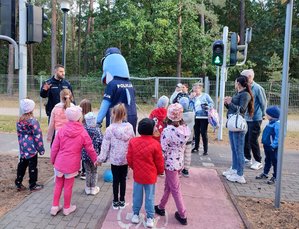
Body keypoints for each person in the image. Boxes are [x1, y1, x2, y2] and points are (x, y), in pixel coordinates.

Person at [50, 106, 99, 216]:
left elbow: (54, 147)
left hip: (59, 161)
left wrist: (53, 159)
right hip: (71, 164)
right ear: (79, 117)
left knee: (58, 184)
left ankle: (54, 206)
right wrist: (95, 159)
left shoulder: (62, 130)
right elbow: (89, 147)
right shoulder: (82, 132)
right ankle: (67, 207)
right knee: (68, 186)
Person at [155, 103, 191, 226]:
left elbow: (163, 150)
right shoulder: (185, 129)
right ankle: (161, 206)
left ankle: (183, 214)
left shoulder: (167, 131)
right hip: (179, 162)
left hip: (170, 164)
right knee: (169, 186)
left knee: (175, 189)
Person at [127, 118, 164, 228]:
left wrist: (134, 168)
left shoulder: (133, 142)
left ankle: (135, 214)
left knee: (137, 195)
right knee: (150, 197)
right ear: (152, 130)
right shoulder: (155, 144)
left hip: (138, 175)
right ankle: (150, 217)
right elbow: (159, 161)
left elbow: (129, 158)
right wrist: (160, 171)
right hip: (151, 176)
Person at [98, 103, 135, 210]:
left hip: (114, 160)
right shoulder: (129, 127)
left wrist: (100, 159)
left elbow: (105, 147)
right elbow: (133, 142)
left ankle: (115, 201)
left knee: (115, 180)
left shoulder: (110, 129)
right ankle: (122, 200)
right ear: (124, 114)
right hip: (125, 159)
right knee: (123, 179)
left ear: (113, 114)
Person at [96, 47, 137, 132]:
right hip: (131, 118)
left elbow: (105, 105)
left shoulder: (112, 84)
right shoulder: (130, 83)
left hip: (115, 120)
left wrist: (98, 122)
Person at [222, 75, 254, 184]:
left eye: (235, 82)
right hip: (232, 124)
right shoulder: (238, 93)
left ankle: (240, 175)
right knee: (234, 149)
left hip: (238, 126)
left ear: (239, 83)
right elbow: (233, 108)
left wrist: (230, 102)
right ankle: (234, 169)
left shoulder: (245, 95)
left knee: (239, 151)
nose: (234, 84)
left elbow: (241, 110)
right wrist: (227, 103)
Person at [15, 99, 45, 191]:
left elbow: (19, 134)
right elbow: (37, 135)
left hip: (23, 146)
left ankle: (18, 182)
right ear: (31, 109)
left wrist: (21, 145)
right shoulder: (33, 121)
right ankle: (33, 184)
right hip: (31, 146)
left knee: (22, 163)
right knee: (33, 165)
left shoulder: (19, 121)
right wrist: (41, 149)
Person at [241, 69, 267, 170]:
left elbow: (263, 102)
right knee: (245, 139)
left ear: (249, 77)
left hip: (255, 118)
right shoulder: (245, 87)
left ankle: (258, 161)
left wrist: (264, 115)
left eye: (243, 77)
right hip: (246, 118)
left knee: (253, 139)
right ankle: (247, 158)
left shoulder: (258, 88)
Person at [256, 106, 280, 185]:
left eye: (268, 114)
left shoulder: (277, 124)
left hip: (272, 147)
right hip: (267, 145)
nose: (266, 115)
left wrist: (273, 145)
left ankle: (276, 176)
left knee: (275, 161)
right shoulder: (271, 122)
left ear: (272, 115)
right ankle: (265, 173)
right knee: (267, 160)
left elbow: (278, 137)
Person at [82, 111, 103, 195]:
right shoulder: (97, 130)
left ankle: (88, 188)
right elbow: (101, 142)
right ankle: (93, 188)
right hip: (95, 155)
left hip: (85, 155)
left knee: (88, 171)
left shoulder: (83, 129)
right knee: (94, 171)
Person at [190, 82, 214, 155]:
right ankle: (196, 147)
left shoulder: (205, 96)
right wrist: (191, 98)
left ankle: (205, 149)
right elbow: (189, 105)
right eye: (194, 88)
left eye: (197, 88)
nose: (196, 90)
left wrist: (207, 107)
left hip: (204, 116)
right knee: (196, 132)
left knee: (203, 132)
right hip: (195, 116)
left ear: (200, 89)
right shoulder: (192, 97)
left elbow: (211, 103)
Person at [179, 97, 195, 177]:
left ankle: (178, 168)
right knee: (188, 154)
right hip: (189, 137)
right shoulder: (192, 114)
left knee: (180, 153)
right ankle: (186, 170)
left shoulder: (179, 115)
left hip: (180, 138)